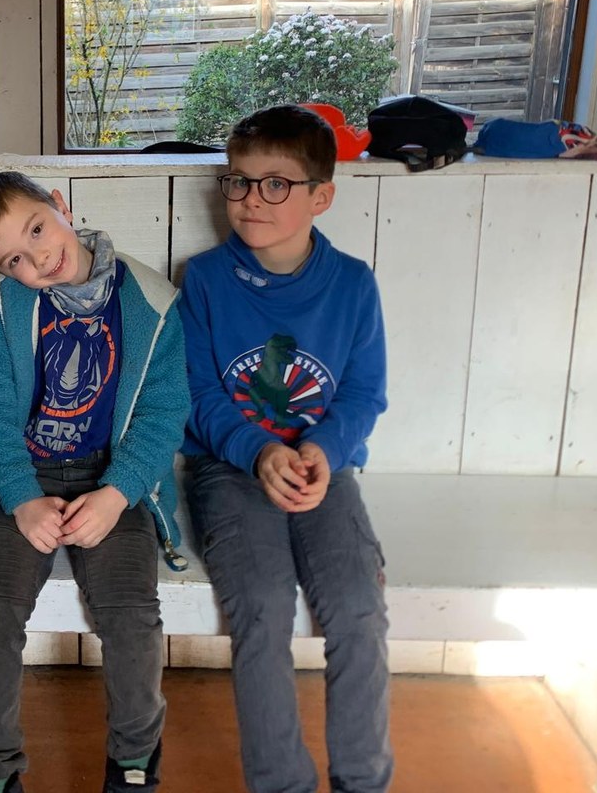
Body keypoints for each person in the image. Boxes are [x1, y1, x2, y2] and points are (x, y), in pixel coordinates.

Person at [0, 172, 189, 793]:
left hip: (112, 481)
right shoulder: (3, 308)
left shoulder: (151, 301)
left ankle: (134, 764)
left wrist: (117, 493)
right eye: (14, 259)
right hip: (21, 481)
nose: (36, 258)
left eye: (37, 229)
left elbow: (164, 412)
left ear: (60, 205)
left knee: (132, 619)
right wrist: (21, 498)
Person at [180, 105, 393, 793]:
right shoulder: (204, 280)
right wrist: (257, 452)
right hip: (229, 470)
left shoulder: (352, 284)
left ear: (320, 197)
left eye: (276, 184)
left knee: (358, 609)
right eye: (238, 181)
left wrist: (323, 451)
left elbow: (363, 394)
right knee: (263, 606)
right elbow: (198, 394)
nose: (251, 198)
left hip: (323, 470)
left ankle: (362, 781)